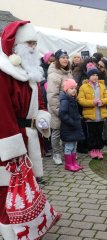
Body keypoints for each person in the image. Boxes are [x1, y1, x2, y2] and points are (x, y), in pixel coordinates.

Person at [0, 20, 53, 239]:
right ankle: (9, 233)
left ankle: (23, 229)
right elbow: (2, 113)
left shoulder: (30, 72)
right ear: (15, 46)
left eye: (34, 42)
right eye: (28, 42)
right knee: (7, 192)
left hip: (29, 139)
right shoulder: (4, 72)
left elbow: (40, 104)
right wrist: (13, 152)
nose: (33, 47)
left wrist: (42, 117)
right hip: (10, 144)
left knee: (24, 190)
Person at [77, 63, 107, 160]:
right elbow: (80, 100)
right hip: (90, 116)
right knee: (91, 134)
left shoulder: (102, 86)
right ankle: (92, 150)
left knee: (99, 133)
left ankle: (99, 150)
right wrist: (92, 102)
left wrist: (102, 101)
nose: (95, 77)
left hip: (100, 115)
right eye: (93, 75)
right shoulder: (83, 87)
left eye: (96, 75)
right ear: (89, 76)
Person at [47, 49, 72, 165]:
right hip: (57, 109)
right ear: (57, 60)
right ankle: (56, 154)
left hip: (68, 108)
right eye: (62, 57)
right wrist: (59, 111)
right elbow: (52, 95)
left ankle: (67, 152)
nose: (65, 59)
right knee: (56, 133)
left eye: (66, 57)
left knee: (67, 131)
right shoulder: (53, 75)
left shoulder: (68, 72)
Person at [59, 79, 85, 171]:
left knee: (74, 146)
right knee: (69, 147)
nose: (74, 90)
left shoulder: (72, 99)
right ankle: (69, 164)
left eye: (75, 88)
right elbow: (63, 114)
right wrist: (72, 122)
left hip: (74, 127)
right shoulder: (65, 100)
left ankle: (74, 163)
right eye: (71, 88)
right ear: (66, 90)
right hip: (69, 128)